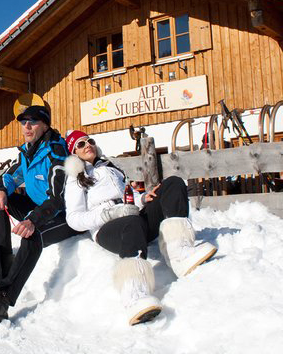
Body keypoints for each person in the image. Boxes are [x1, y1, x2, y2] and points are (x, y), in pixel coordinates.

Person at [62, 131, 217, 325]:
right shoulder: (75, 178)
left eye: (90, 141)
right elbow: (74, 219)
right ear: (74, 153)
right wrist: (107, 214)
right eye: (80, 144)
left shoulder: (110, 167)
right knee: (132, 223)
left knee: (173, 183)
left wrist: (142, 198)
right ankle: (134, 295)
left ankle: (180, 252)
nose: (87, 145)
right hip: (107, 228)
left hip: (133, 216)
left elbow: (128, 195)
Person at [0, 105, 79, 324]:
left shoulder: (56, 153)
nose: (26, 126)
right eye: (23, 122)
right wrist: (0, 189)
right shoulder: (28, 151)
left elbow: (58, 199)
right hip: (40, 206)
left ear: (45, 125)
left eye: (33, 121)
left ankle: (2, 301)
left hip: (64, 215)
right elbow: (10, 176)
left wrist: (32, 220)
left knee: (33, 234)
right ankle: (2, 269)